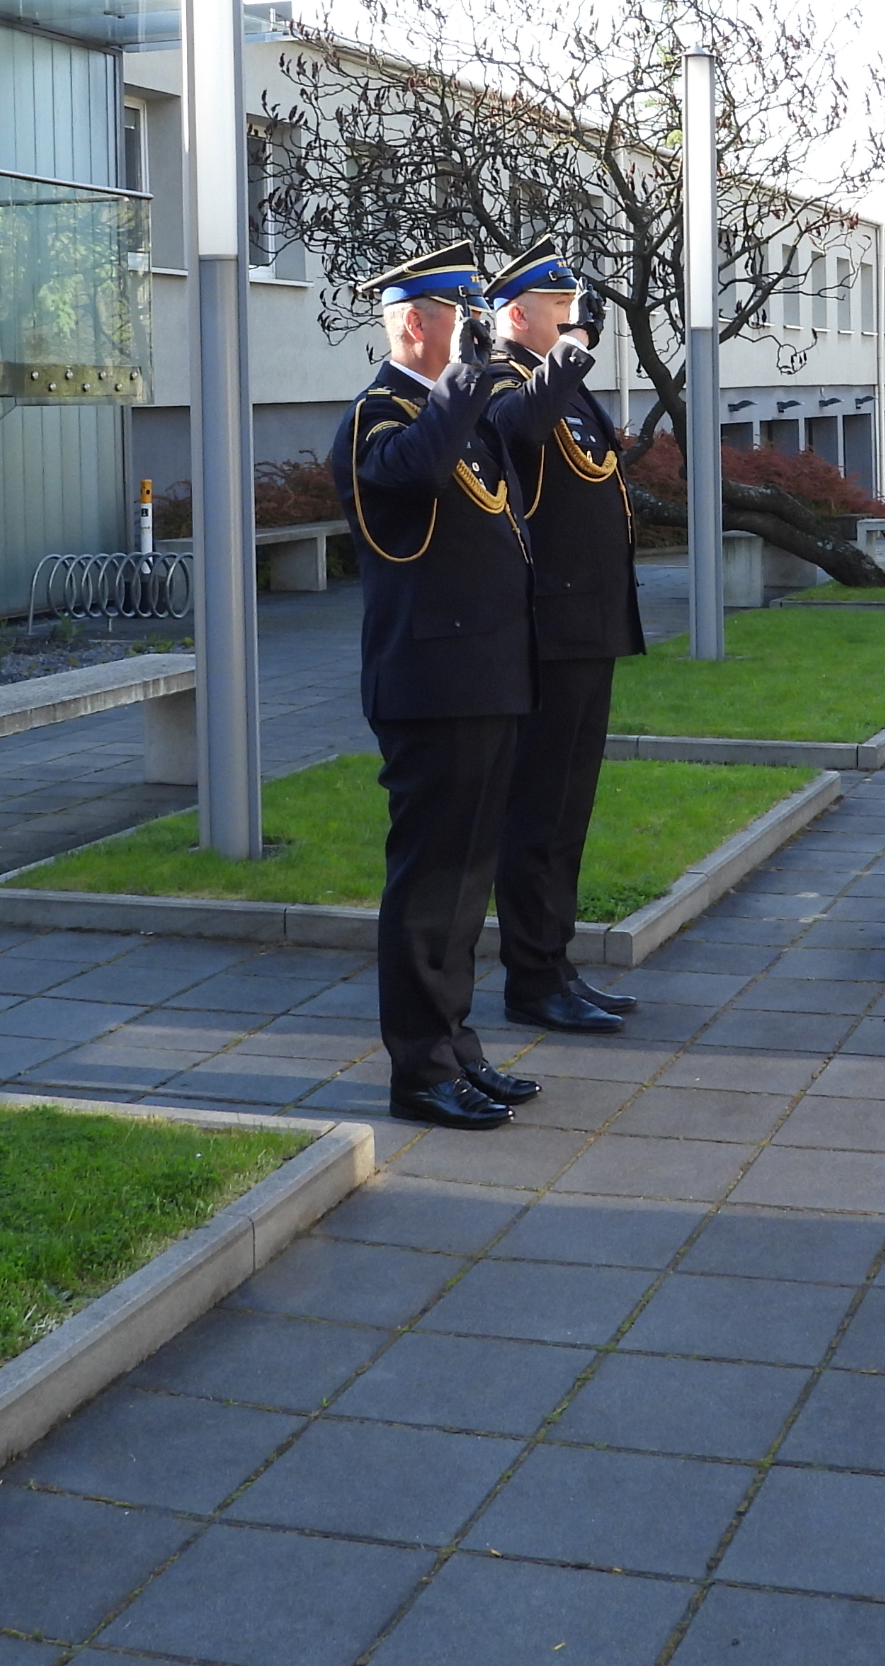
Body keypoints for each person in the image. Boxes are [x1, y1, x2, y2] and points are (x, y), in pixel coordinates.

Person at [327, 243, 556, 1131]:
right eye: (465, 319)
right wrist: (464, 379)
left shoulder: (454, 411)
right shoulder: (376, 418)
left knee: (467, 884)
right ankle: (418, 1071)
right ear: (417, 325)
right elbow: (416, 472)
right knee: (430, 886)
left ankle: (457, 1048)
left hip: (487, 677)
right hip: (431, 685)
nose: (479, 335)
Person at [481, 239, 644, 1034]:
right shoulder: (502, 382)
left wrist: (570, 359)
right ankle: (532, 980)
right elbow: (515, 429)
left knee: (569, 812)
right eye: (559, 307)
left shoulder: (559, 384)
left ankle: (558, 965)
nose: (574, 316)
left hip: (590, 624)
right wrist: (571, 353)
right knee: (538, 814)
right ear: (518, 315)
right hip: (548, 628)